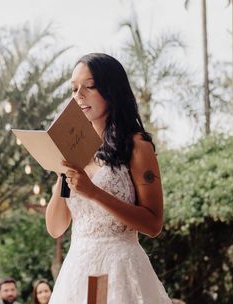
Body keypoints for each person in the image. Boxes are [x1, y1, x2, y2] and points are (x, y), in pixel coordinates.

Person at [46, 53, 172, 303]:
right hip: (78, 271)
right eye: (74, 89)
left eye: (89, 87)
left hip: (121, 270)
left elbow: (153, 223)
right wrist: (61, 172)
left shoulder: (137, 146)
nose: (79, 95)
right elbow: (55, 227)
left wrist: (94, 192)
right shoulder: (72, 151)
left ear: (111, 91)